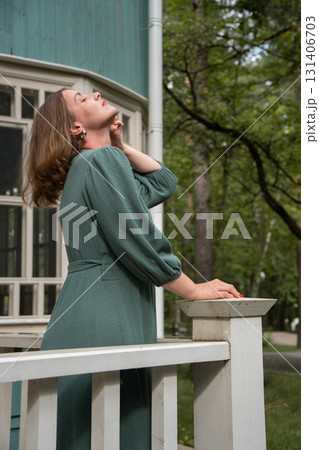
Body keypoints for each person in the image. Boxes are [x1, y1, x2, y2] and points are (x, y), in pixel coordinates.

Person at [21, 88, 241, 450]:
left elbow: (162, 182)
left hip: (87, 310)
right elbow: (136, 238)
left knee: (86, 434)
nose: (95, 92)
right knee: (116, 432)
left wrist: (118, 144)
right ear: (76, 126)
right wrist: (194, 290)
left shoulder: (94, 163)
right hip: (108, 313)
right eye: (82, 97)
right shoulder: (101, 161)